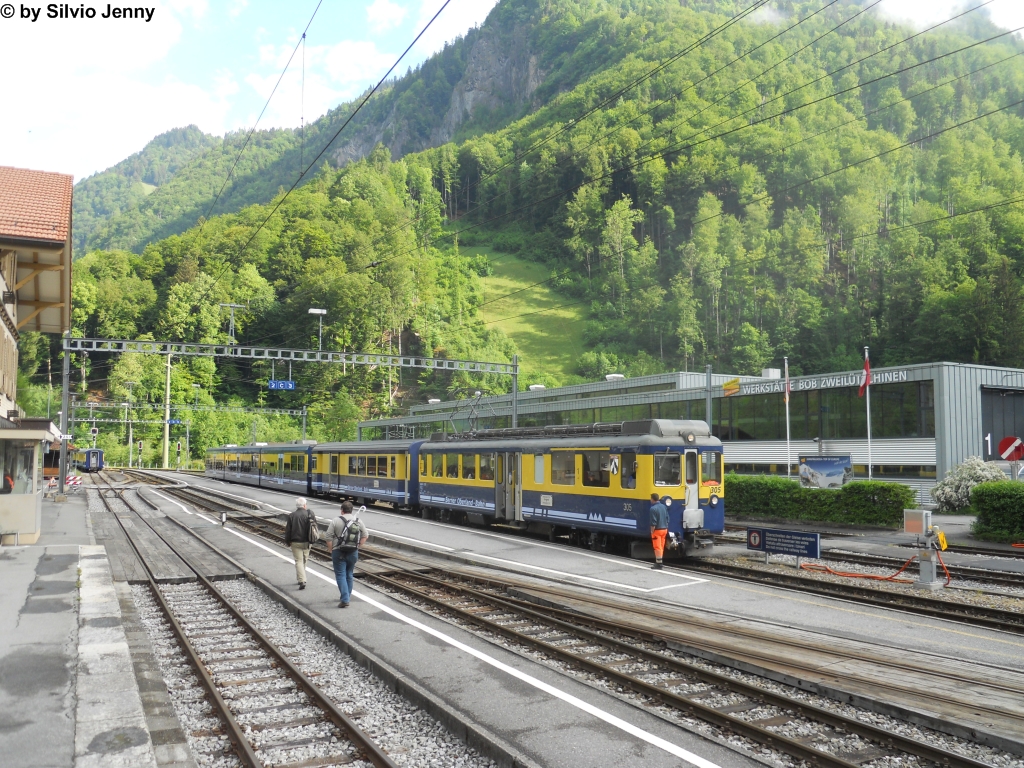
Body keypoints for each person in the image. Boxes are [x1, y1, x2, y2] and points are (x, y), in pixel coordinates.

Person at [325, 501, 369, 608]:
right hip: (353, 552)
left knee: (340, 574)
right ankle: (347, 596)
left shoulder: (336, 520)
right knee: (349, 574)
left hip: (338, 551)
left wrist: (331, 549)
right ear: (351, 510)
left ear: (342, 510)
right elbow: (365, 535)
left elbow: (328, 537)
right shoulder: (358, 521)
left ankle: (345, 599)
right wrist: (358, 546)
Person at [284, 497, 317, 590]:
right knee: (304, 559)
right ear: (305, 505)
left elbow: (288, 531)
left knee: (298, 561)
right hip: (307, 542)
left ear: (297, 506)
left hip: (295, 542)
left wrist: (287, 541)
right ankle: (301, 578)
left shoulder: (292, 515)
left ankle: (301, 580)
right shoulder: (310, 514)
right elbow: (315, 527)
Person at [649, 493, 669, 570]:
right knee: (661, 546)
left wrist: (652, 531)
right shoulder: (664, 507)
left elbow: (653, 522)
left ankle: (659, 564)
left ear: (652, 499)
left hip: (657, 530)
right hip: (664, 529)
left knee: (657, 547)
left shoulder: (653, 509)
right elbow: (667, 518)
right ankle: (660, 561)